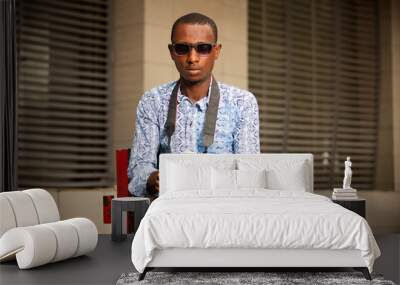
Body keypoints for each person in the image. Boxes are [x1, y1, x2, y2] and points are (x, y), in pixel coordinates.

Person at [128, 12, 260, 197]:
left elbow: (250, 171)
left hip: (225, 207)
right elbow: (138, 168)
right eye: (182, 48)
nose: (192, 58)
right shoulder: (153, 101)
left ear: (216, 51)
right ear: (172, 52)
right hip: (171, 208)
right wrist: (152, 179)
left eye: (203, 48)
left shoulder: (243, 103)